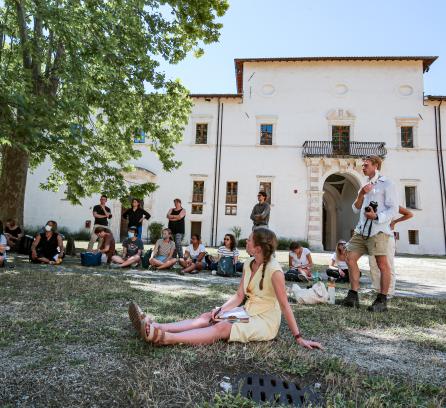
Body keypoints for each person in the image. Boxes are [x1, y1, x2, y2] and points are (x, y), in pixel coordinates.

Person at [128, 228, 323, 349]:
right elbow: (239, 296)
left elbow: (285, 306)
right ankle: (157, 326)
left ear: (258, 247)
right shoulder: (248, 264)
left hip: (264, 321)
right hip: (247, 312)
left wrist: (298, 337)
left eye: (249, 240)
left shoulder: (275, 271)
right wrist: (220, 309)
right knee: (208, 316)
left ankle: (165, 338)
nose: (245, 242)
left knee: (221, 327)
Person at [342, 156, 398, 312]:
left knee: (382, 264)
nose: (363, 168)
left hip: (378, 230)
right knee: (349, 257)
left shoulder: (387, 184)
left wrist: (377, 216)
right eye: (363, 165)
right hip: (361, 230)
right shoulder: (365, 185)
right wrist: (360, 194)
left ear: (376, 166)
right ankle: (353, 296)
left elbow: (393, 209)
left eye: (366, 165)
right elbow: (355, 208)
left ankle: (382, 300)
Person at [369, 206, 413, 297]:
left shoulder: (392, 203)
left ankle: (389, 292)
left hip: (387, 237)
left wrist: (395, 222)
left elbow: (409, 214)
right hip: (372, 236)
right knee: (373, 264)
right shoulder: (373, 201)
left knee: (388, 264)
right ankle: (376, 289)